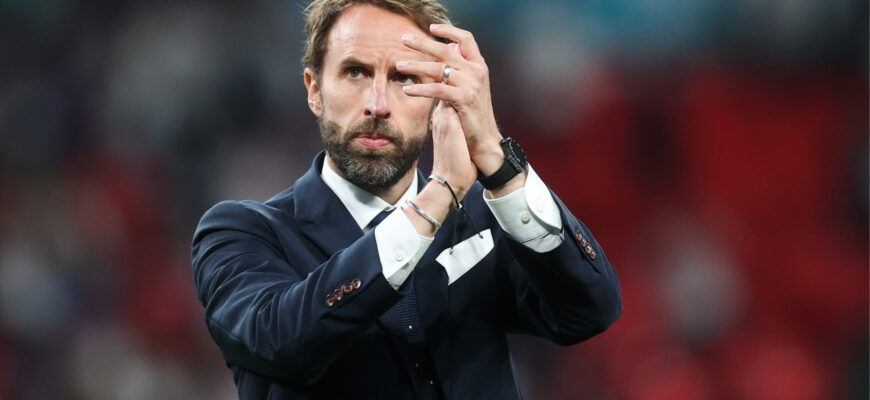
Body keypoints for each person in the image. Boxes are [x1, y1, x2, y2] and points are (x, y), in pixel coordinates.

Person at [191, 0, 621, 398]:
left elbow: (589, 310)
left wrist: (497, 158)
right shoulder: (241, 233)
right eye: (355, 72)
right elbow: (280, 342)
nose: (377, 104)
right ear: (314, 90)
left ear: (439, 97)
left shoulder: (484, 213)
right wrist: (437, 198)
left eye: (405, 78)